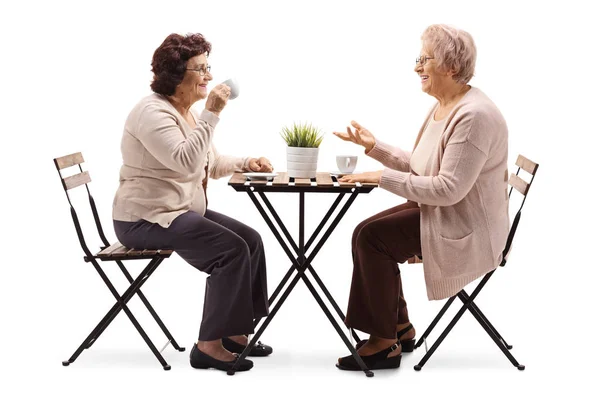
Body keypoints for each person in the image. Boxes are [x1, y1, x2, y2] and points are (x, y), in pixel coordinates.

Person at [333, 24, 509, 371]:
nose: (417, 67)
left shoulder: (473, 116)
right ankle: (398, 326)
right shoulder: (445, 106)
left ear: (451, 67)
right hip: (449, 213)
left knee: (373, 238)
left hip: (468, 229)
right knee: (364, 232)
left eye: (424, 59)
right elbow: (421, 167)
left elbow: (447, 189)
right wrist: (375, 148)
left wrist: (382, 177)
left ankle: (384, 345)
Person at [112, 33, 273, 373]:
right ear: (175, 74)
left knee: (250, 240)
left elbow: (207, 164)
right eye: (200, 69)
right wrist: (211, 114)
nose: (209, 77)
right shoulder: (152, 112)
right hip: (145, 220)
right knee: (230, 249)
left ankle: (236, 333)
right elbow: (185, 163)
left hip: (177, 212)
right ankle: (208, 346)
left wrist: (247, 162)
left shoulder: (186, 112)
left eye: (208, 67)